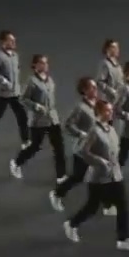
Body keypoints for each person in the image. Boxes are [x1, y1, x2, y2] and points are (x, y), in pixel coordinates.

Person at [62, 98, 129, 250]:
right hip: (98, 178)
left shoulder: (111, 129)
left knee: (122, 205)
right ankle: (71, 224)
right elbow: (82, 151)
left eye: (111, 110)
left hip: (115, 175)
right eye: (107, 111)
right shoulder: (94, 131)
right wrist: (100, 161)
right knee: (92, 207)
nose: (111, 113)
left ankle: (123, 239)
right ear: (99, 112)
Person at [10, 54, 66, 183]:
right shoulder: (32, 81)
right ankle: (17, 162)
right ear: (35, 65)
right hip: (38, 121)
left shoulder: (50, 80)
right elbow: (23, 98)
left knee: (59, 147)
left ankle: (61, 176)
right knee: (35, 146)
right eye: (42, 63)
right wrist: (35, 106)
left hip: (52, 118)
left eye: (46, 63)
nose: (45, 65)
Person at [50, 77, 100, 212]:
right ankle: (57, 193)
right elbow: (68, 125)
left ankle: (104, 201)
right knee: (79, 176)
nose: (95, 89)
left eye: (95, 87)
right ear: (84, 90)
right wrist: (80, 133)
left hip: (97, 148)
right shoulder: (80, 108)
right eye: (92, 87)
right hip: (83, 149)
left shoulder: (98, 104)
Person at [95, 39, 125, 153]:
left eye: (117, 47)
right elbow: (100, 81)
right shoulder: (105, 64)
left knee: (115, 128)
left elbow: (121, 83)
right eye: (114, 47)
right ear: (108, 49)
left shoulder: (118, 66)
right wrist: (111, 91)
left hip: (118, 102)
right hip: (107, 102)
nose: (117, 50)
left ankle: (112, 150)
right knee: (105, 127)